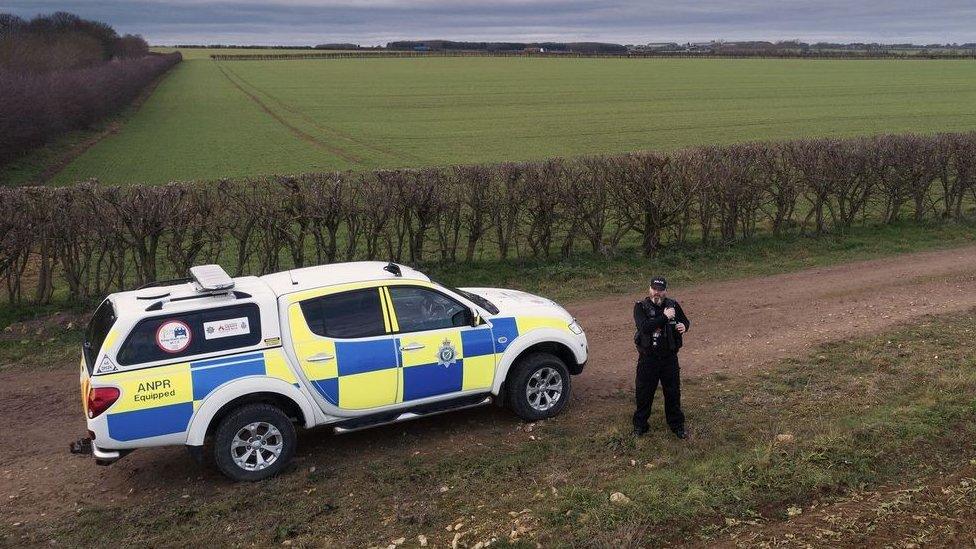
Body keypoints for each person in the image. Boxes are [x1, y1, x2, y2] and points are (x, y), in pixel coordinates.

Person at [632, 276, 690, 439]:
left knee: (672, 393)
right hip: (648, 358)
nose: (657, 292)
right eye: (654, 289)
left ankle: (677, 425)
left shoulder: (673, 305)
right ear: (649, 289)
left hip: (669, 358)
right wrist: (665, 317)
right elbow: (644, 328)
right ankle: (640, 426)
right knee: (644, 393)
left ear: (665, 290)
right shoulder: (640, 307)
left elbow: (686, 321)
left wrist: (683, 326)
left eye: (660, 289)